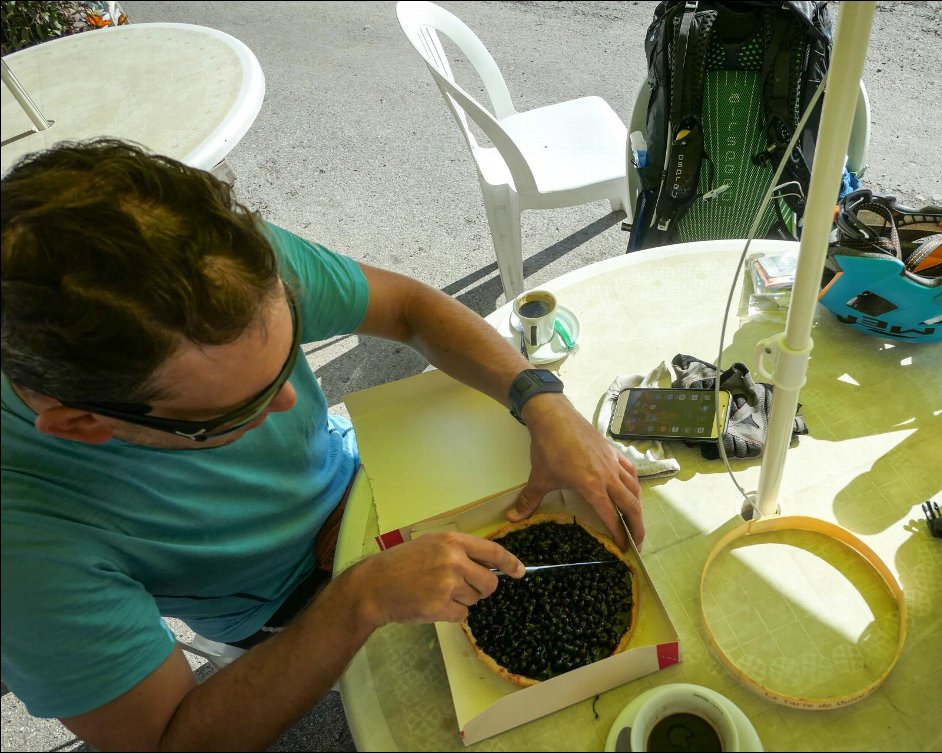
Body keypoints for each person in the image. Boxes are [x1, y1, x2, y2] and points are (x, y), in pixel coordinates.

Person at [0, 138, 644, 751]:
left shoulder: (206, 264)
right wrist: (360, 598)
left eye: (289, 358)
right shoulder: (26, 551)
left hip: (365, 478)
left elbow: (409, 308)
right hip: (287, 600)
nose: (291, 404)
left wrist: (542, 400)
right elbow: (172, 738)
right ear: (80, 425)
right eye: (239, 408)